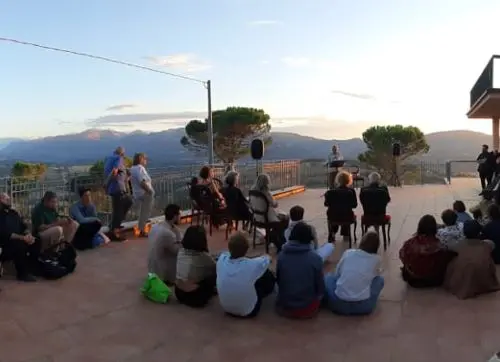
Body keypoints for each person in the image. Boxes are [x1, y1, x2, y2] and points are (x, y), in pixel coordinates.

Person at [323, 230, 384, 315]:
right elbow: (376, 275)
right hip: (363, 307)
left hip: (338, 304)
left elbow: (338, 274)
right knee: (380, 280)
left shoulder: (348, 253)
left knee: (328, 277)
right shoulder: (377, 259)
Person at [216, 232, 275, 318]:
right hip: (249, 311)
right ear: (246, 249)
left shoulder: (221, 260)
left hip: (226, 308)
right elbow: (268, 258)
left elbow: (225, 254)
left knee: (253, 275)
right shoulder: (253, 265)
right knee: (266, 274)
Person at [276, 222, 324, 318]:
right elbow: (320, 288)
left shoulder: (281, 256)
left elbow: (279, 280)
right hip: (308, 307)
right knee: (329, 281)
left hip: (286, 305)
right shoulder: (315, 258)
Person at [444, 220, 500, 299]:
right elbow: (492, 246)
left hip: (466, 276)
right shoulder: (487, 244)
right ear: (479, 232)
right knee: (487, 258)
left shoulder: (459, 244)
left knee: (454, 261)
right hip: (484, 278)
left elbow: (449, 248)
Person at [399, 214, 455, 288]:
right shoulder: (440, 244)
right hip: (434, 280)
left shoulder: (410, 243)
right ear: (434, 228)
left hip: (413, 280)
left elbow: (402, 256)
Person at [175, 225, 216, 308]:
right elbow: (215, 267)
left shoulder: (181, 252)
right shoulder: (203, 257)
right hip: (195, 297)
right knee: (214, 274)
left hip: (179, 292)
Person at [0, 193, 38, 282]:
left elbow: (23, 226)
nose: (8, 200)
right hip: (4, 245)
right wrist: (22, 238)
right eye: (5, 199)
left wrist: (28, 234)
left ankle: (34, 269)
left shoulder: (14, 213)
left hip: (18, 239)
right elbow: (6, 234)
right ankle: (22, 274)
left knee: (36, 241)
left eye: (8, 198)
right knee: (19, 245)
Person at [249, 174, 289, 251]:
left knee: (281, 218)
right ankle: (276, 241)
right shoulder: (266, 193)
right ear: (266, 183)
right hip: (267, 218)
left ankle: (271, 237)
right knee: (286, 219)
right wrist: (274, 199)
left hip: (256, 218)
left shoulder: (252, 191)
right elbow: (275, 205)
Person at [147, 204, 182, 285]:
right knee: (184, 255)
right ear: (175, 217)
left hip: (152, 267)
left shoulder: (155, 226)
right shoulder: (167, 233)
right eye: (180, 215)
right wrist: (178, 235)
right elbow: (178, 250)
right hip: (160, 271)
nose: (181, 217)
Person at [104, 146, 133, 242]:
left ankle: (114, 226)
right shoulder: (118, 158)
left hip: (114, 188)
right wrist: (106, 184)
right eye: (124, 154)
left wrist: (125, 172)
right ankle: (114, 232)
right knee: (124, 204)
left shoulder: (109, 158)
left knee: (118, 208)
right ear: (122, 153)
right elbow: (115, 171)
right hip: (118, 188)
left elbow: (117, 171)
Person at [324, 171, 357, 242]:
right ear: (349, 180)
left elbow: (326, 204)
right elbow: (354, 205)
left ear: (338, 180)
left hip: (333, 216)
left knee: (333, 213)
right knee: (346, 212)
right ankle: (346, 234)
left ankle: (332, 232)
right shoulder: (351, 191)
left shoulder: (331, 192)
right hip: (347, 216)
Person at [130, 152, 154, 237]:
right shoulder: (140, 168)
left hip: (137, 194)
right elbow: (142, 182)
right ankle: (142, 230)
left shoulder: (132, 168)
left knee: (142, 212)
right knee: (145, 212)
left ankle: (141, 229)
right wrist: (150, 191)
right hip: (145, 193)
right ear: (141, 159)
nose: (146, 160)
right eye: (145, 159)